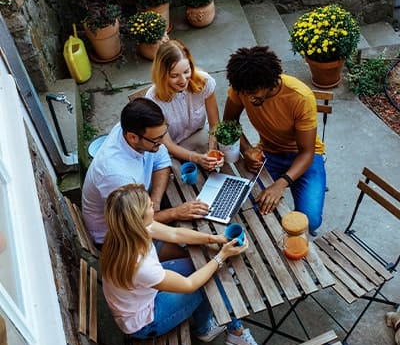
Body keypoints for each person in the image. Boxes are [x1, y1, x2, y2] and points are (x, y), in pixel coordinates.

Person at [100, 183, 271, 345]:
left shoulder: (124, 231)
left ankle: (226, 325)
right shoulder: (140, 265)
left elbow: (175, 234)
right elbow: (190, 284)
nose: (152, 204)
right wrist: (222, 255)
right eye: (148, 205)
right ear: (137, 218)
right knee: (209, 279)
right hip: (146, 322)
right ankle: (226, 331)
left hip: (143, 292)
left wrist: (215, 239)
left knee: (207, 269)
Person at [82, 98, 209, 253]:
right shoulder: (116, 175)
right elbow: (136, 224)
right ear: (132, 137)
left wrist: (155, 202)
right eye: (156, 140)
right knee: (193, 251)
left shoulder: (136, 133)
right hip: (119, 239)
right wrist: (176, 212)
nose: (163, 143)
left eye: (164, 134)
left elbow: (162, 161)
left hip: (140, 210)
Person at [224, 46, 326, 234]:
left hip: (303, 157)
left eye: (254, 92)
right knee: (253, 209)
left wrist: (281, 183)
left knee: (310, 221)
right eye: (244, 92)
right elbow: (230, 121)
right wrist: (247, 150)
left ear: (270, 81)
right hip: (269, 152)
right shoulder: (243, 87)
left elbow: (307, 152)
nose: (248, 97)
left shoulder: (300, 97)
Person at [146, 39, 223, 171]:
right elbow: (167, 144)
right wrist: (197, 158)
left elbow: (214, 123)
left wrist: (211, 151)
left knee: (223, 155)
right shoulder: (153, 100)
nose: (183, 80)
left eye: (186, 71)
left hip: (198, 136)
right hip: (170, 150)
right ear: (162, 75)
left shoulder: (204, 82)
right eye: (175, 75)